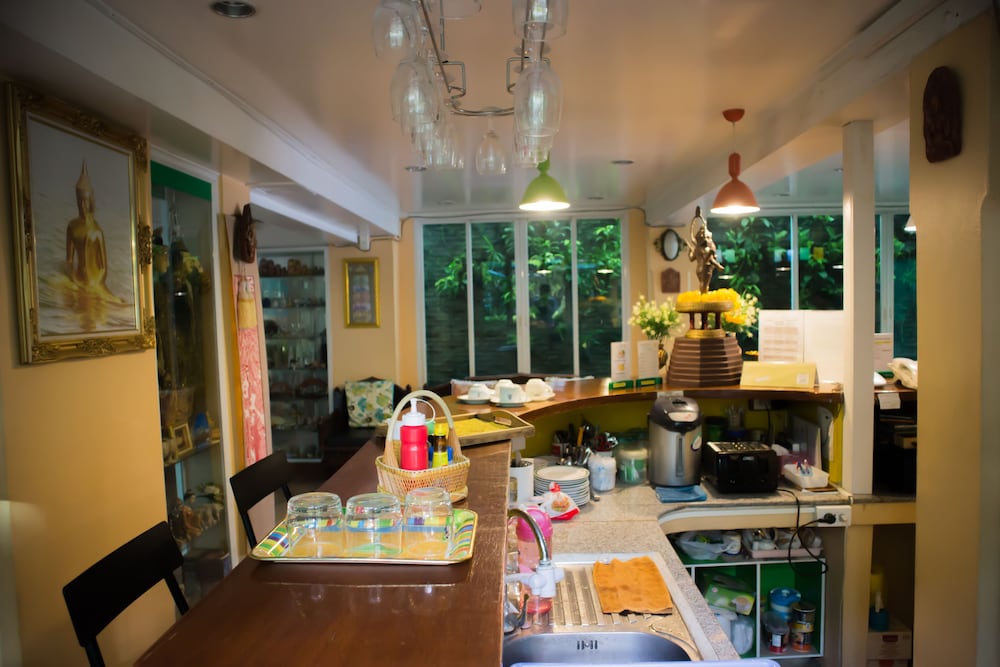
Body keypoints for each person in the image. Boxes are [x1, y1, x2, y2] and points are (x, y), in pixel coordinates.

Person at [65, 160, 121, 302]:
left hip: (96, 283)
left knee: (116, 303)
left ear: (90, 201)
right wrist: (74, 278)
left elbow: (103, 268)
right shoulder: (72, 227)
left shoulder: (97, 232)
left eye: (85, 201)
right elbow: (69, 260)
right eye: (80, 201)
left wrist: (96, 283)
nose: (83, 205)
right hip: (79, 281)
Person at [687, 206, 725, 294]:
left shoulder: (697, 248)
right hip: (706, 269)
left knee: (703, 284)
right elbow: (709, 260)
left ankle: (703, 297)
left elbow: (691, 258)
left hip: (698, 269)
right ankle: (703, 299)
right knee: (704, 286)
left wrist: (690, 251)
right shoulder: (707, 248)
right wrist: (718, 266)